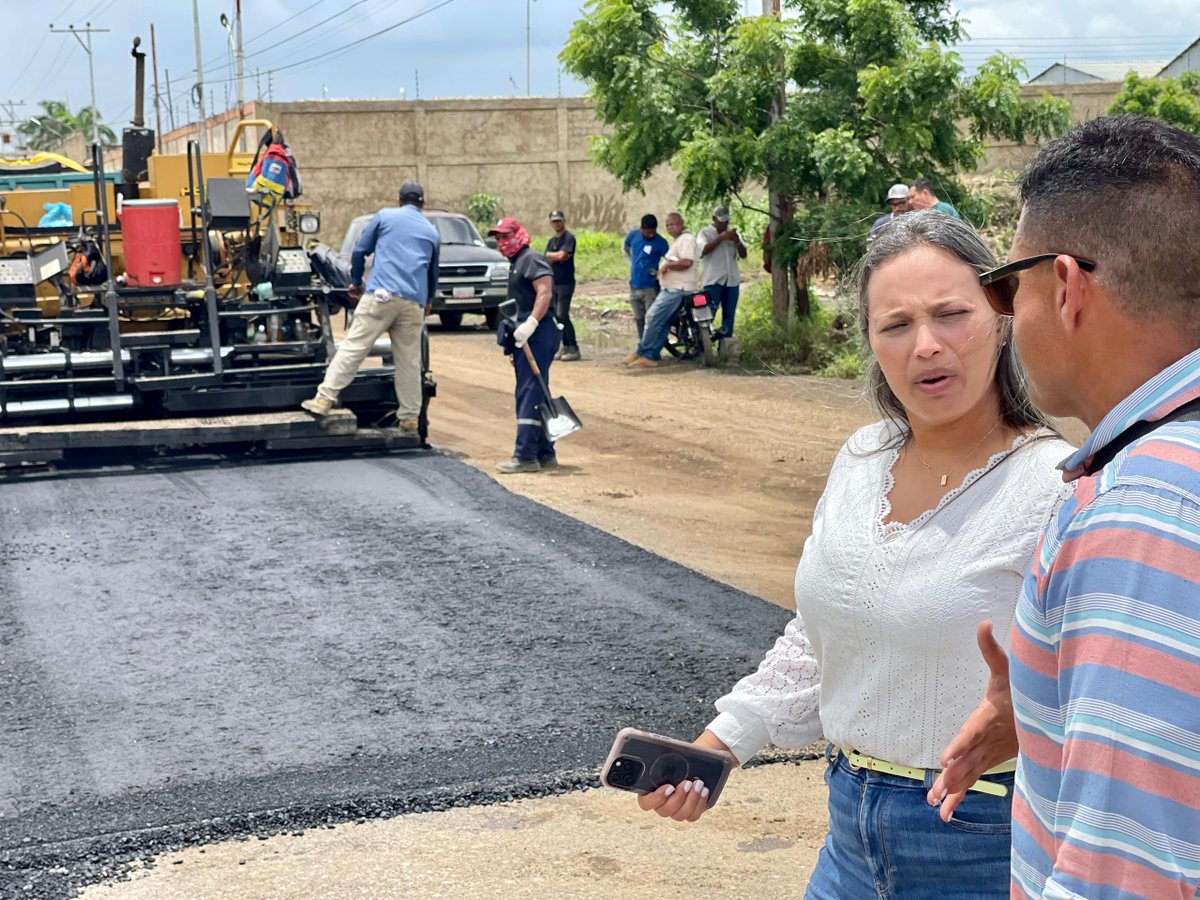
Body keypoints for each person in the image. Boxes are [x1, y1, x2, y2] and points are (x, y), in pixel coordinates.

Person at [632, 210, 1075, 899]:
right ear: (871, 342)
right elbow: (821, 635)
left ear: (1002, 316)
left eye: (951, 314)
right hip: (848, 831)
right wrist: (718, 746)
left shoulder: (1055, 488)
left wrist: (1032, 715)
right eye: (896, 326)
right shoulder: (862, 459)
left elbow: (1109, 691)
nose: (926, 345)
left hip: (984, 838)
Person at [929, 114, 1200, 899]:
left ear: (1069, 287)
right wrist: (1058, 706)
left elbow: (1129, 873)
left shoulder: (1145, 510)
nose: (1004, 317)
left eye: (1006, 287)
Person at [301, 181, 438, 436]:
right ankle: (409, 419)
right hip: (414, 302)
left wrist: (354, 281)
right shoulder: (431, 232)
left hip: (382, 295)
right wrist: (427, 300)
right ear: (423, 204)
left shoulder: (385, 216)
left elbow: (360, 251)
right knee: (408, 361)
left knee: (354, 347)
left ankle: (323, 399)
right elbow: (432, 273)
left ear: (398, 200)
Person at [487, 216, 561, 474]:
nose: (501, 243)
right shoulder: (516, 262)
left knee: (529, 393)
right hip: (524, 337)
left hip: (538, 334)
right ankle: (545, 452)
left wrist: (530, 323)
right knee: (537, 391)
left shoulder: (531, 259)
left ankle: (525, 456)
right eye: (498, 239)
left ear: (518, 234)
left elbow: (545, 292)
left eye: (505, 237)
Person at [624, 212, 697, 370]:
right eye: (668, 225)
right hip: (667, 287)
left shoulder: (685, 239)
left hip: (677, 289)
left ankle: (646, 354)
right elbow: (626, 248)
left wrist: (666, 266)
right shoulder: (677, 241)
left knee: (652, 317)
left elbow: (687, 262)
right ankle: (645, 353)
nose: (670, 228)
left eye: (673, 224)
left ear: (681, 224)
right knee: (662, 323)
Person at [696, 205, 747, 339]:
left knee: (729, 316)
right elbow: (702, 251)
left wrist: (737, 241)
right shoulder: (705, 233)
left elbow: (743, 254)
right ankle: (703, 345)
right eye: (721, 221)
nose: (724, 224)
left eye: (726, 221)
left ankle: (725, 348)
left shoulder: (733, 232)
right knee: (709, 314)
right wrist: (721, 238)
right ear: (714, 219)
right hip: (713, 281)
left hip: (732, 281)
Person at [622, 214, 670, 338]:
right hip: (634, 285)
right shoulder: (633, 236)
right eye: (647, 232)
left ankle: (652, 347)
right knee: (639, 318)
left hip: (650, 287)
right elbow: (625, 247)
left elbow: (669, 259)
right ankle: (642, 345)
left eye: (653, 232)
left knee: (651, 318)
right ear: (641, 229)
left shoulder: (661, 242)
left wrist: (661, 271)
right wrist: (631, 262)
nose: (650, 235)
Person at [544, 210, 580, 362]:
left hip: (566, 282)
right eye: (554, 221)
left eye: (559, 221)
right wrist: (553, 256)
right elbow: (546, 257)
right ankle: (564, 345)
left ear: (564, 221)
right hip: (554, 282)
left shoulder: (569, 238)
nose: (557, 224)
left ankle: (573, 347)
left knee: (562, 314)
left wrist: (552, 256)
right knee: (555, 316)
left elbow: (562, 255)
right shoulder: (552, 241)